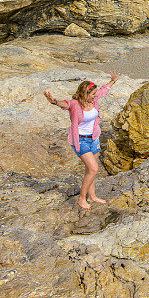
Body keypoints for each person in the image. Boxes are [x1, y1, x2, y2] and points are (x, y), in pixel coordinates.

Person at [44, 72, 119, 210]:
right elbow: (64, 104)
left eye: (95, 94)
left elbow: (103, 91)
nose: (95, 96)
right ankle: (81, 199)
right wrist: (54, 101)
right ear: (85, 94)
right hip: (80, 140)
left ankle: (92, 196)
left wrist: (112, 81)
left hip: (94, 138)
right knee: (94, 169)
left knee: (90, 169)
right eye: (92, 94)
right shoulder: (75, 104)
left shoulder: (94, 100)